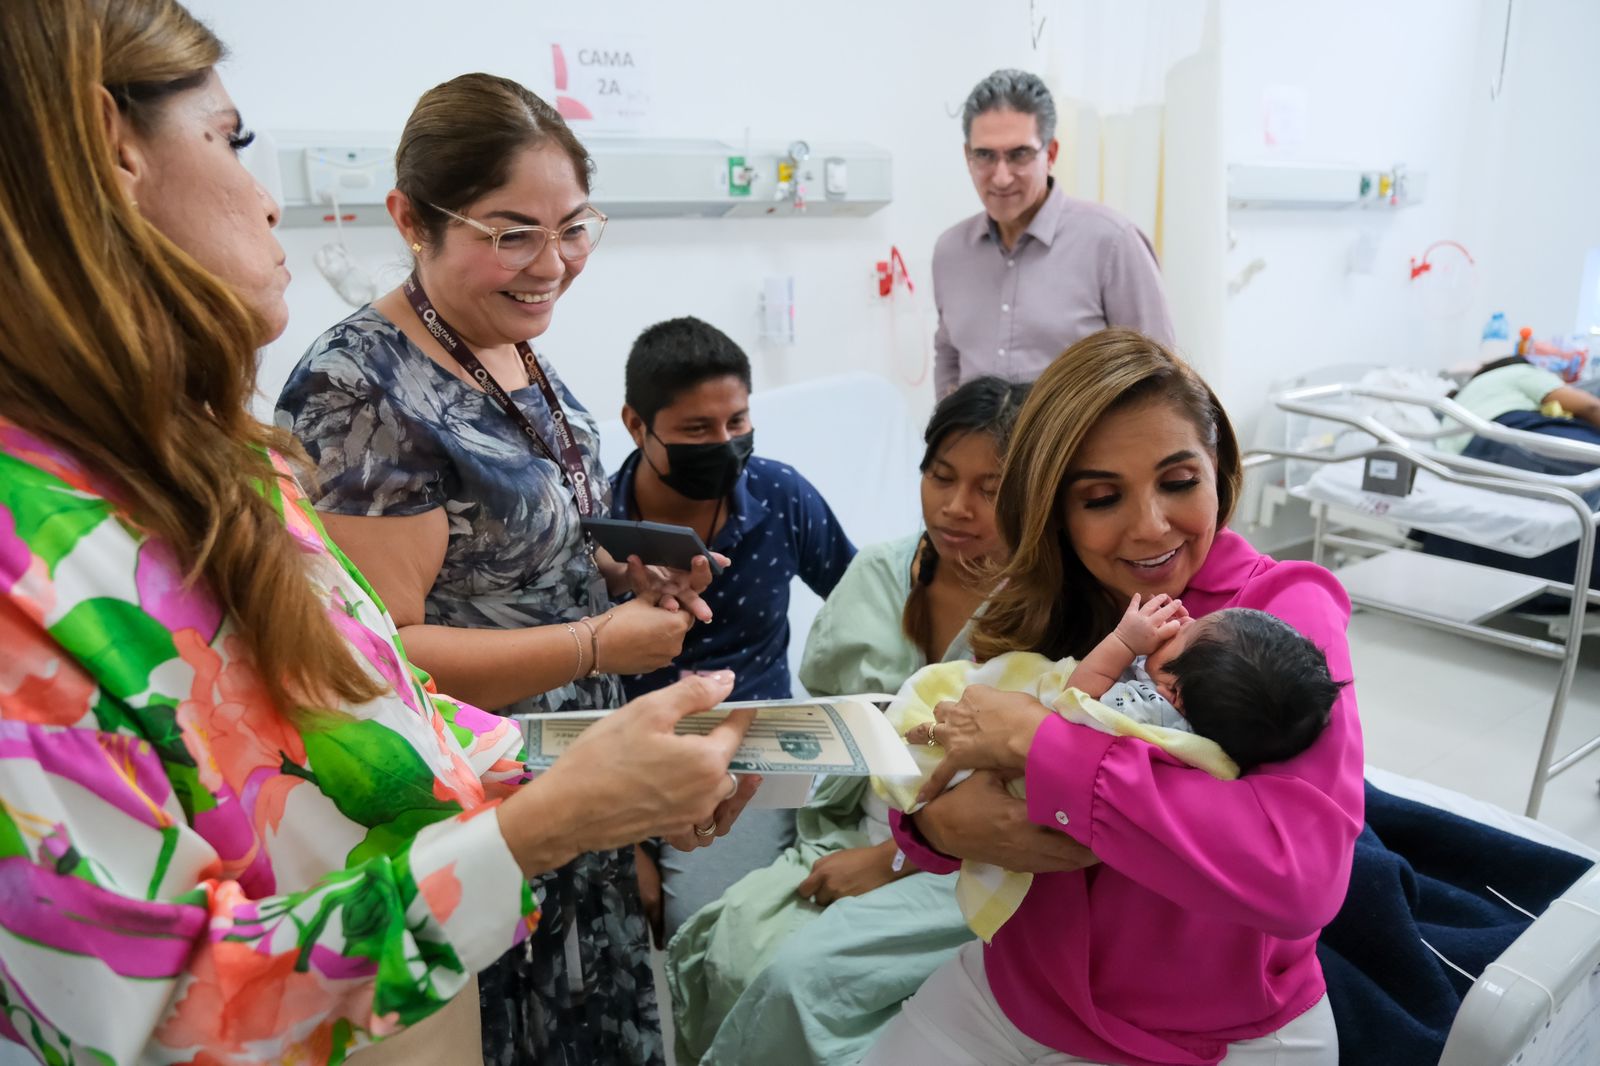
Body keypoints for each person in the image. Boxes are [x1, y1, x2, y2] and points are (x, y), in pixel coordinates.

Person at [0, 3, 756, 1064]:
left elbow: (362, 718)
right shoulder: (32, 568)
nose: (270, 205)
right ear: (112, 149)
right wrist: (544, 813)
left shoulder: (220, 456)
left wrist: (604, 785)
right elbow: (146, 1016)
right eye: (230, 141)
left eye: (572, 226)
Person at [274, 75, 748, 1065]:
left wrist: (624, 575)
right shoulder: (361, 392)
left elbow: (511, 550)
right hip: (476, 824)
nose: (552, 265)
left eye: (574, 228)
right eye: (511, 233)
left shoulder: (504, 343)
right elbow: (377, 661)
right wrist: (592, 639)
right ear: (411, 218)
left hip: (572, 780)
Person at [862, 328, 1363, 1066]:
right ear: (1054, 510)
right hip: (1019, 989)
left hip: (1209, 1032)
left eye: (1179, 482)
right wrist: (937, 829)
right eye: (1101, 497)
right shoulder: (1036, 607)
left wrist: (1041, 743)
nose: (1151, 526)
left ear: (1220, 470)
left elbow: (1302, 879)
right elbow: (945, 765)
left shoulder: (1279, 616)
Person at [666, 377, 1037, 1066]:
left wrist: (892, 860)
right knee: (731, 948)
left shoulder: (1049, 608)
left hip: (978, 863)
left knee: (796, 985)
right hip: (849, 824)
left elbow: (1024, 806)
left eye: (990, 488)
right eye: (941, 476)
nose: (956, 507)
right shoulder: (879, 574)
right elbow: (830, 733)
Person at [882, 594, 1343, 942]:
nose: (1176, 622)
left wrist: (1124, 641)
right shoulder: (1215, 738)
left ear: (1173, 691)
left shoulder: (1147, 711)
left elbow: (1077, 702)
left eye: (1185, 632)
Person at [611, 315, 856, 943]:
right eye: (697, 429)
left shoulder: (779, 494)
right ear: (636, 425)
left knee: (711, 931)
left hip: (750, 748)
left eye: (737, 422)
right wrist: (627, 846)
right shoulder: (597, 523)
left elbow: (863, 597)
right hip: (621, 749)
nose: (724, 442)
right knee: (613, 921)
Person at [932, 70, 1174, 397]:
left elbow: (1158, 376)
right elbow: (949, 355)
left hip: (1083, 448)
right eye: (985, 155)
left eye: (1019, 154)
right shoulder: (951, 252)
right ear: (967, 156)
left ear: (1052, 154)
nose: (1001, 177)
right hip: (979, 448)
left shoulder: (1112, 243)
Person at [1424, 355, 1600, 592]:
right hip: (1511, 435)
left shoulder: (1465, 400)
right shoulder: (1519, 371)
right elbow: (1590, 405)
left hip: (1470, 461)